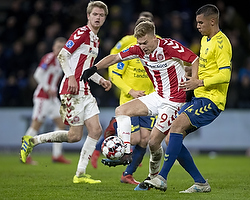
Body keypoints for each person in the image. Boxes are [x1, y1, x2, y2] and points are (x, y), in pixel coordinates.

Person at [81, 20, 199, 187]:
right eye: (139, 43)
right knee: (121, 110)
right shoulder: (138, 50)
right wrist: (93, 69)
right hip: (157, 96)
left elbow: (194, 59)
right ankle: (126, 151)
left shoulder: (169, 46)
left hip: (173, 101)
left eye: (145, 43)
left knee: (153, 142)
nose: (142, 46)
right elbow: (114, 58)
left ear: (153, 38)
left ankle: (152, 176)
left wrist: (194, 80)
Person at [20, 1, 112, 184]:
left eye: (101, 15)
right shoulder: (82, 33)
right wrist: (70, 76)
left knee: (96, 130)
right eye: (95, 14)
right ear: (88, 16)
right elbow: (63, 54)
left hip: (85, 90)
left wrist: (100, 80)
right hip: (71, 91)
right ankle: (32, 141)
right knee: (74, 136)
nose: (98, 17)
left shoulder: (95, 39)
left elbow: (86, 69)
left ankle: (80, 174)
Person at [144, 4, 232, 193]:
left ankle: (161, 178)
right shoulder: (205, 40)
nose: (198, 26)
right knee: (171, 137)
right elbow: (207, 68)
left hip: (212, 100)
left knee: (175, 127)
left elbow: (225, 75)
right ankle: (201, 183)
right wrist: (188, 72)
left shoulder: (222, 43)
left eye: (201, 22)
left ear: (212, 21)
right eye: (197, 22)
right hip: (199, 98)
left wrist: (199, 82)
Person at [91, 14, 158, 186]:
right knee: (134, 139)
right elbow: (115, 68)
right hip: (129, 101)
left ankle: (127, 175)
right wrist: (131, 91)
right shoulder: (129, 46)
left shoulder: (156, 46)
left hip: (150, 102)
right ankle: (115, 124)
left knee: (146, 140)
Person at [23, 37, 70, 165]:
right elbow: (38, 74)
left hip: (52, 99)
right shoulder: (49, 58)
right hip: (42, 97)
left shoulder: (62, 61)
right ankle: (25, 154)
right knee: (35, 125)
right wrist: (48, 88)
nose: (60, 49)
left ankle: (56, 155)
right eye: (58, 46)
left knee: (61, 124)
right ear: (53, 48)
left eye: (62, 47)